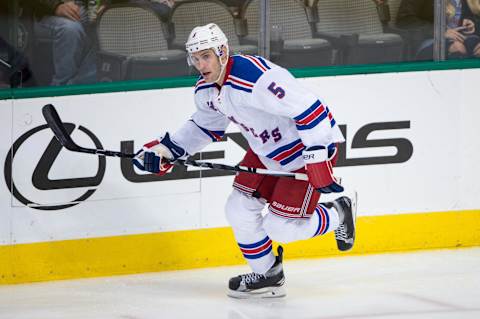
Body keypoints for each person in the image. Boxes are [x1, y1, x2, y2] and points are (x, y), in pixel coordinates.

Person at [132, 23, 357, 299]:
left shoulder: (256, 78)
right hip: (265, 153)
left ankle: (339, 212)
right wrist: (166, 151)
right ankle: (268, 275)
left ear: (223, 52)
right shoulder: (207, 90)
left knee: (281, 228)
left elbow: (310, 107)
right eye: (195, 58)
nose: (201, 64)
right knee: (237, 209)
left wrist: (317, 154)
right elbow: (204, 127)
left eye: (206, 56)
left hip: (301, 152)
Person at [28, 0, 97, 86]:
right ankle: (60, 88)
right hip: (47, 12)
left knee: (107, 30)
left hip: (86, 10)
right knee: (70, 29)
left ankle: (73, 86)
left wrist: (104, 5)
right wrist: (56, 6)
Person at [396, 0, 480, 60]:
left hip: (462, 38)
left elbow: (472, 16)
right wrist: (438, 32)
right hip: (428, 39)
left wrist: (472, 22)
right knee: (457, 49)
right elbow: (404, 20)